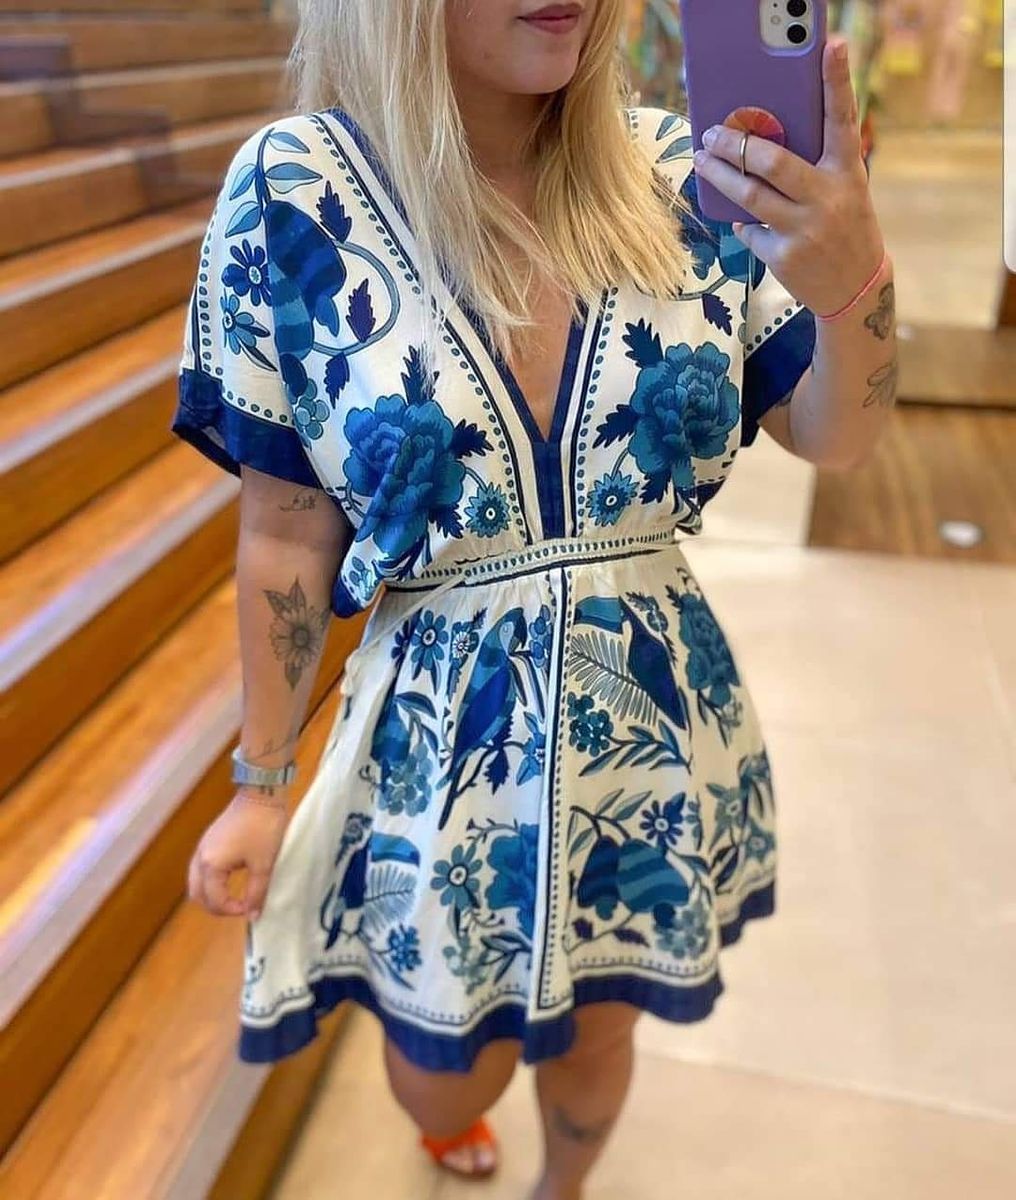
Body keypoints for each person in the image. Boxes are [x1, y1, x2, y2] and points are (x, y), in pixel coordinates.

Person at [171, 2, 896, 1195]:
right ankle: (449, 1122)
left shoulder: (682, 174)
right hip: (439, 752)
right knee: (441, 1073)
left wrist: (851, 284)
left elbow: (838, 438)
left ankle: (563, 1186)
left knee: (601, 1031)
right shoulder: (293, 194)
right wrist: (262, 782)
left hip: (643, 718)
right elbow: (287, 532)